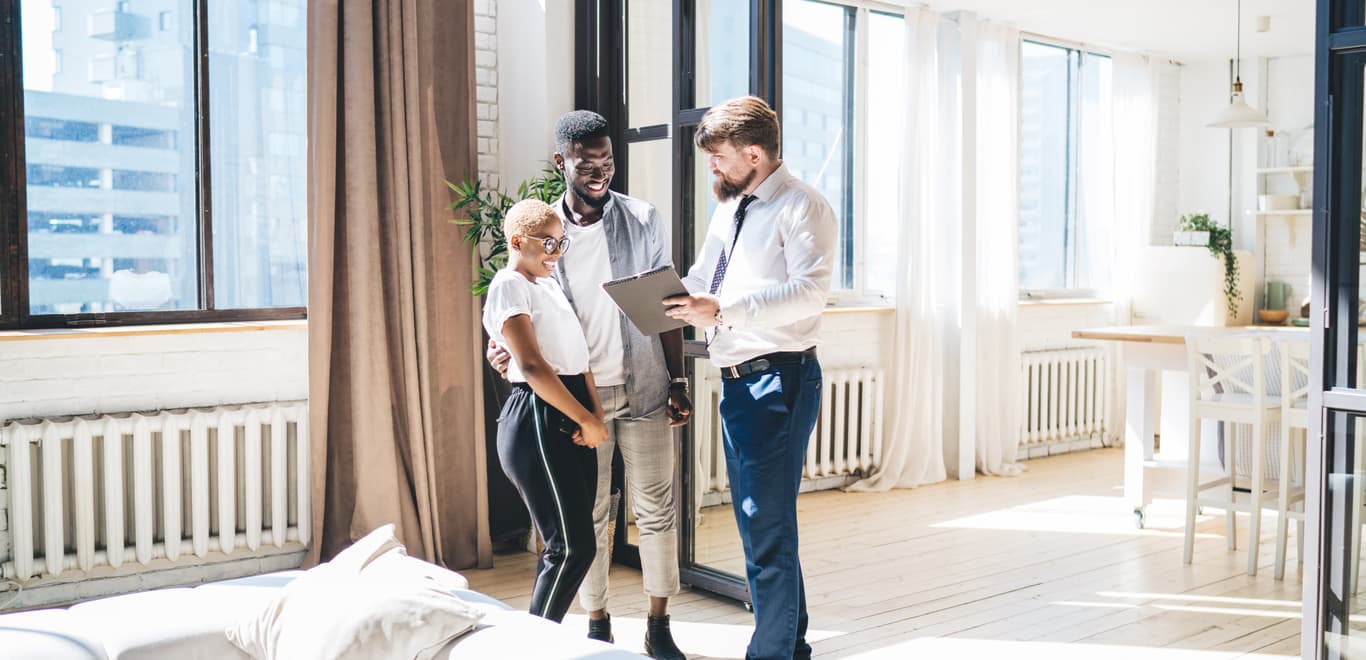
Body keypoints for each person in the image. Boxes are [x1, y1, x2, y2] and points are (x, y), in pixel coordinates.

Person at [488, 110, 691, 659]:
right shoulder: (540, 236)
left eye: (607, 160)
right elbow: (520, 319)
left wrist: (677, 378)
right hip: (578, 401)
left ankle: (659, 623)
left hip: (644, 384)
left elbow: (664, 305)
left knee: (657, 509)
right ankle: (597, 621)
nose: (600, 171)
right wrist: (502, 353)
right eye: (587, 162)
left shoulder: (643, 219)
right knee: (590, 517)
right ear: (562, 163)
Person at [663, 96, 836, 660]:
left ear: (754, 153)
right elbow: (701, 279)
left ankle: (771, 655)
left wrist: (723, 311)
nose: (712, 166)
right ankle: (794, 647)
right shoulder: (731, 208)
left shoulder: (802, 206)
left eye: (719, 156)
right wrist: (665, 296)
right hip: (740, 383)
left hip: (778, 381)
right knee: (764, 528)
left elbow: (809, 295)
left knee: (766, 528)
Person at [482, 198, 609, 623]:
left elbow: (579, 357)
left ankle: (537, 640)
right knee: (570, 547)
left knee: (574, 545)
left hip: (569, 408)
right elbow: (533, 366)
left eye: (561, 243)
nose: (555, 253)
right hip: (537, 413)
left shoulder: (548, 285)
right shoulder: (508, 284)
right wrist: (585, 419)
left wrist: (595, 414)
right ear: (518, 242)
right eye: (547, 244)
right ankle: (534, 646)